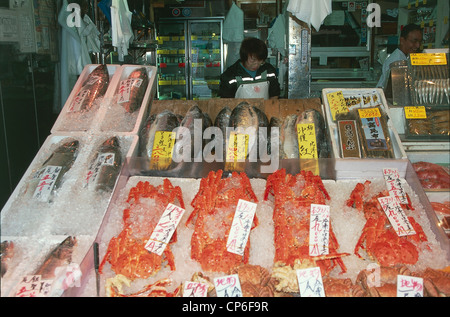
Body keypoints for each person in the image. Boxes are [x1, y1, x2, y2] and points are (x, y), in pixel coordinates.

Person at [377, 24, 423, 89]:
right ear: (402, 41)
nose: (418, 45)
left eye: (420, 41)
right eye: (414, 41)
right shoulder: (396, 61)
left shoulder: (405, 57)